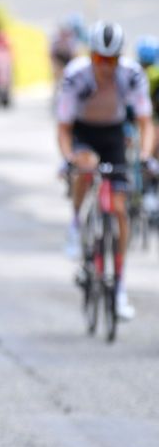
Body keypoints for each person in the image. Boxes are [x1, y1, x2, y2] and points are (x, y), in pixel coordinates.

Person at [56, 21, 154, 320]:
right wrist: (68, 157)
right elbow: (63, 128)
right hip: (83, 132)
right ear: (91, 55)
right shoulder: (75, 76)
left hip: (112, 134)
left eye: (111, 60)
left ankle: (119, 287)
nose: (106, 67)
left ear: (119, 58)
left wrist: (146, 157)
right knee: (86, 166)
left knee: (120, 209)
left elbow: (145, 123)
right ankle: (76, 226)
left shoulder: (132, 75)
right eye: (100, 59)